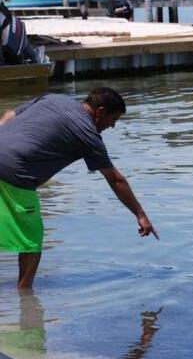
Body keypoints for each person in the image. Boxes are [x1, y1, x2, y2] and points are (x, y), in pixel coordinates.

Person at [0, 88, 158, 288]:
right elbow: (115, 179)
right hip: (15, 172)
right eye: (113, 119)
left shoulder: (53, 99)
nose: (113, 125)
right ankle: (25, 296)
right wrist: (140, 215)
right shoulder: (87, 134)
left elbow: (8, 115)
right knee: (31, 239)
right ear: (100, 112)